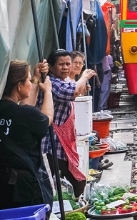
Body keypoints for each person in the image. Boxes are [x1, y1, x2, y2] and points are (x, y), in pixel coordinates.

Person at [33, 49, 96, 198]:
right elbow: (72, 92)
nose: (66, 67)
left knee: (56, 178)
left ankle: (69, 203)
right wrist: (84, 77)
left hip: (60, 141)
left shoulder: (62, 81)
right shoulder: (52, 83)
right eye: (61, 64)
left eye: (68, 64)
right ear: (52, 67)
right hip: (52, 141)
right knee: (70, 179)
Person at [0, 60, 54, 210]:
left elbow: (27, 109)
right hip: (22, 188)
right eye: (29, 80)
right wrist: (48, 91)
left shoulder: (18, 112)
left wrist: (36, 79)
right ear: (19, 86)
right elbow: (47, 119)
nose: (31, 83)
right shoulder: (26, 115)